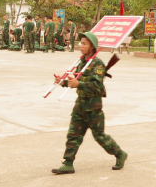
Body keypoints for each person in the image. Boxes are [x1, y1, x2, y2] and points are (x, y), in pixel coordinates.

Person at [52, 32, 127, 173]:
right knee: (73, 135)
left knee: (100, 137)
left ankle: (120, 153)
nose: (81, 46)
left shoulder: (98, 64)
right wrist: (62, 82)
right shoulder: (81, 63)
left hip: (93, 108)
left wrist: (78, 84)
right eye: (81, 43)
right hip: (80, 105)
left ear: (92, 46)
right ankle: (68, 163)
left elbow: (96, 86)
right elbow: (75, 81)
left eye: (84, 43)